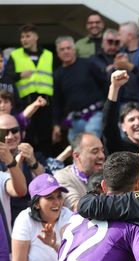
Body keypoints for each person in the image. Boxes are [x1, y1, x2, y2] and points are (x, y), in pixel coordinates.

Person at [5, 24, 54, 156]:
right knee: (28, 135)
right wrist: (19, 75)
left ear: (36, 37)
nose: (24, 39)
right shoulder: (16, 55)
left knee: (45, 136)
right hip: (25, 103)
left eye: (28, 36)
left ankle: (46, 165)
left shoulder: (49, 55)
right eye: (22, 37)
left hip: (45, 103)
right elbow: (7, 76)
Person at [53, 36, 106, 142]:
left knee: (91, 141)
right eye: (62, 49)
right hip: (74, 119)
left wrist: (107, 105)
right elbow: (56, 101)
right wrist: (56, 124)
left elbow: (104, 83)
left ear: (74, 50)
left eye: (68, 48)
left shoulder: (88, 64)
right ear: (58, 53)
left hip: (95, 114)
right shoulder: (57, 74)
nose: (66, 51)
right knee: (76, 149)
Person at [53, 132, 105, 211]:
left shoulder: (108, 174)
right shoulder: (63, 177)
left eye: (102, 151)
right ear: (77, 156)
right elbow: (76, 208)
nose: (102, 156)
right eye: (95, 151)